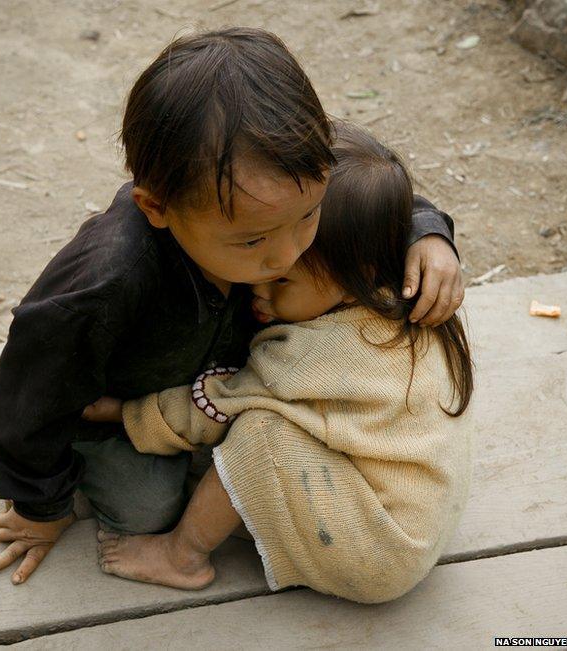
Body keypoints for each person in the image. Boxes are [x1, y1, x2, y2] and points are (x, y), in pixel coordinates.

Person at [0, 28, 464, 587]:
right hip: (117, 409)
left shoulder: (278, 190)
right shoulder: (105, 284)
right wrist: (40, 508)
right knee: (146, 510)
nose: (291, 254)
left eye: (310, 217)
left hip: (215, 394)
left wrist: (425, 231)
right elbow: (29, 395)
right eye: (254, 243)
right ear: (157, 208)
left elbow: (370, 187)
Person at [85, 122, 474, 604]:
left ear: (355, 275)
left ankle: (181, 555)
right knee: (271, 430)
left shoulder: (311, 353)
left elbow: (215, 406)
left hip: (380, 550)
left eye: (283, 281)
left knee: (261, 436)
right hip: (418, 515)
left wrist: (121, 413)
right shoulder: (398, 295)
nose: (258, 287)